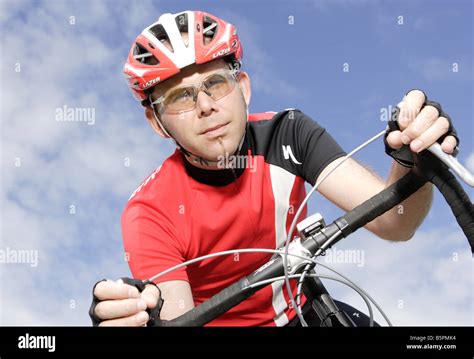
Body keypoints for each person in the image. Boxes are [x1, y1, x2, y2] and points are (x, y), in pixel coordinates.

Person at [89, 10, 459, 327]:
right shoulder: (148, 212)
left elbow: (396, 223)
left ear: (243, 88)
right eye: (180, 96)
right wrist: (141, 318)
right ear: (158, 123)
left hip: (305, 312)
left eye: (215, 83)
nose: (205, 105)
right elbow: (177, 317)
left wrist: (413, 161)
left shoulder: (289, 134)